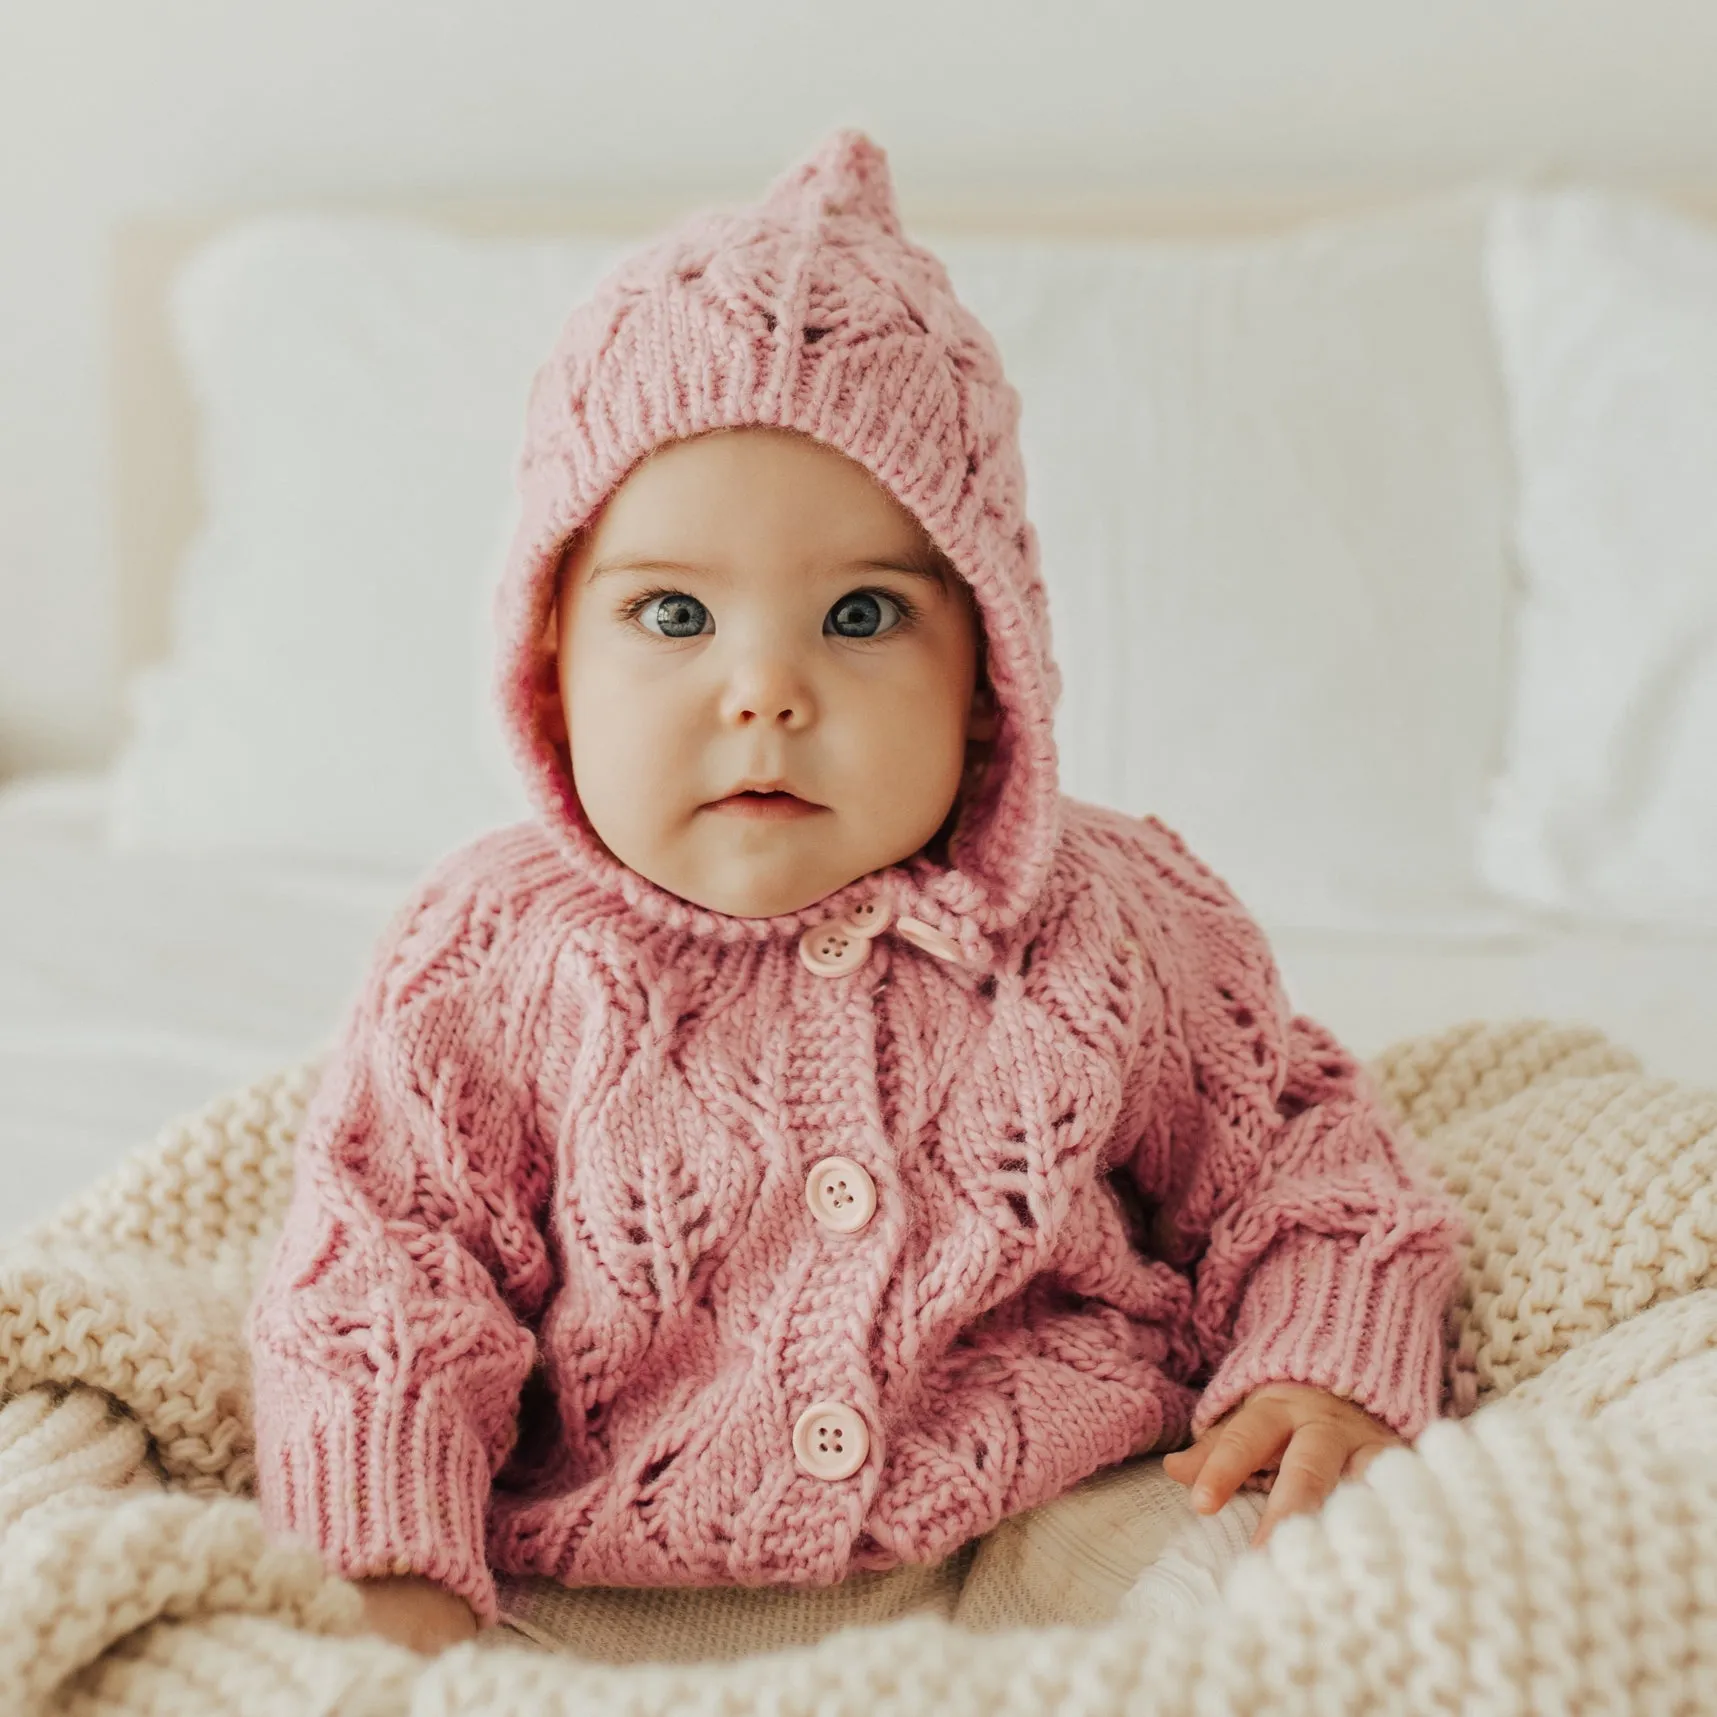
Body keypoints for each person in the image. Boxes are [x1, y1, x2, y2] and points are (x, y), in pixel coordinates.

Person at [246, 128, 1468, 1659]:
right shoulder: (489, 956)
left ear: (985, 675)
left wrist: (1320, 1360)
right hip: (613, 1567)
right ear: (554, 655)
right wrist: (391, 1568)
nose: (766, 691)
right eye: (675, 613)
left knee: (1363, 1626)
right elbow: (385, 1286)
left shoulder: (1113, 919)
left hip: (1071, 1510)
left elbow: (1296, 1163)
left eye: (865, 613)